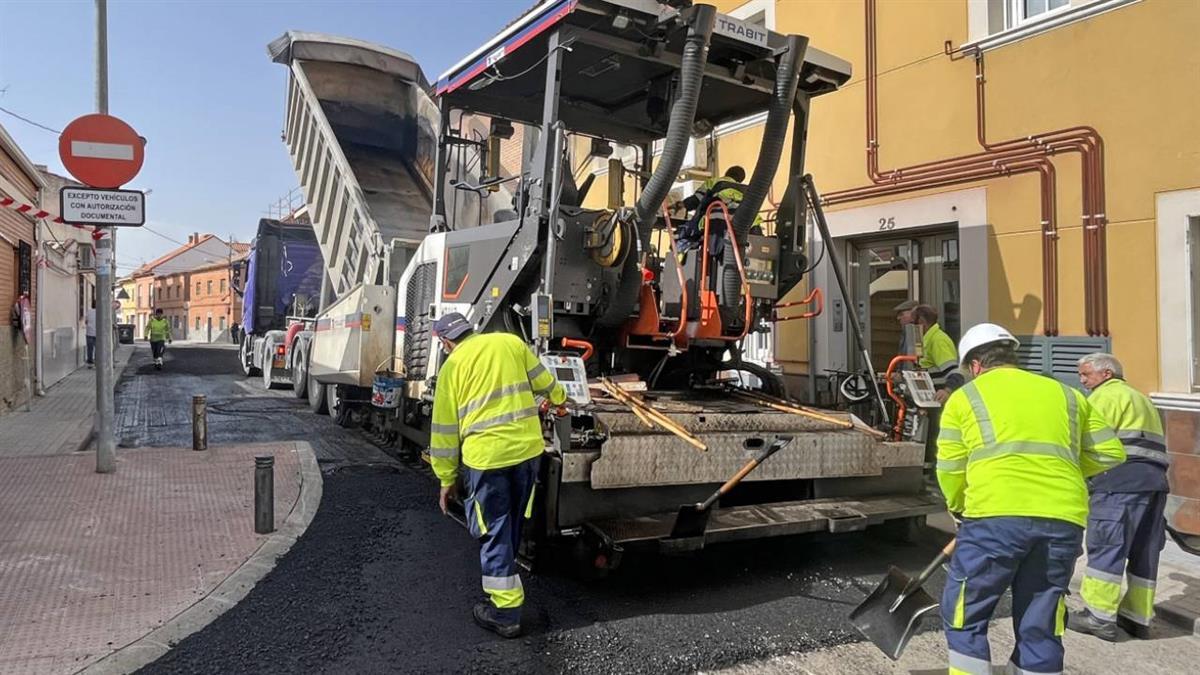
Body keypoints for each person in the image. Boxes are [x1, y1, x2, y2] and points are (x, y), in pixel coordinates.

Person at [936, 323, 1125, 675]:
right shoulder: (1065, 394)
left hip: (993, 516)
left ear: (975, 365)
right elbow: (1111, 453)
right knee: (1042, 620)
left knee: (966, 614)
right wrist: (1062, 472)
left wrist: (959, 506)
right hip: (1062, 520)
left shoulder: (966, 397)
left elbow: (949, 467)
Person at [428, 312, 567, 639]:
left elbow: (444, 432)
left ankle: (505, 611)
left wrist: (446, 479)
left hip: (487, 461)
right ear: (470, 329)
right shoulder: (511, 343)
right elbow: (546, 382)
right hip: (526, 455)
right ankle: (507, 593)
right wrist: (560, 401)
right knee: (512, 524)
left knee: (494, 529)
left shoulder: (452, 368)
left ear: (446, 342)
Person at [1067, 353, 1169, 641]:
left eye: (1086, 375)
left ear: (1107, 374)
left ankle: (1098, 617)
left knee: (1107, 545)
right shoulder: (1142, 400)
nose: (1082, 380)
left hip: (1118, 483)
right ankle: (1137, 617)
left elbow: (1086, 441)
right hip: (1154, 483)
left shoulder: (1104, 398)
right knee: (1144, 551)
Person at [673, 165, 763, 254]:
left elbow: (697, 199)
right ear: (740, 180)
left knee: (683, 238)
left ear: (726, 173)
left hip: (718, 222)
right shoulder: (745, 190)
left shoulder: (714, 182)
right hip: (750, 225)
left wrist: (681, 204)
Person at [912, 304, 962, 402]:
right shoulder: (927, 340)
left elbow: (955, 373)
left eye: (912, 323)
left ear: (921, 322)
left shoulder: (938, 341)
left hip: (938, 401)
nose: (910, 328)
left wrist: (946, 391)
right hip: (929, 400)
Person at [85, 301, 97, 367]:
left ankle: (90, 362)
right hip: (98, 333)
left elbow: (86, 321)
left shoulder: (88, 311)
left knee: (90, 348)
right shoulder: (100, 312)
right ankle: (97, 362)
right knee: (97, 349)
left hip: (89, 332)